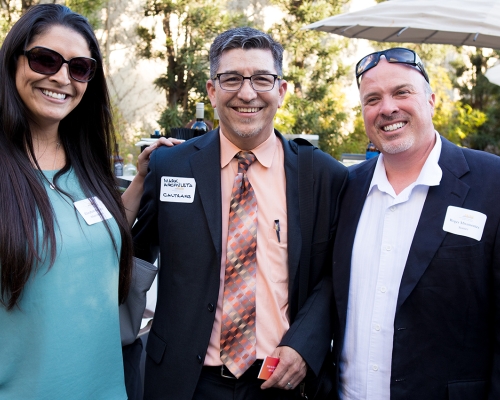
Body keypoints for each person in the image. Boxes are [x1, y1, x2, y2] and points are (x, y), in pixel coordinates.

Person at [132, 27, 348, 399]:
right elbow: (131, 257)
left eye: (262, 79)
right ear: (212, 90)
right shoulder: (171, 166)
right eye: (231, 79)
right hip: (185, 382)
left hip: (282, 381)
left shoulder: (323, 176)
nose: (247, 93)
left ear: (281, 90)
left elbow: (334, 274)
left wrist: (305, 344)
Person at [0, 4, 178, 399]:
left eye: (79, 67)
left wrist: (141, 182)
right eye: (45, 60)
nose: (62, 78)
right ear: (13, 62)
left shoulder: (84, 161)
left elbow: (90, 230)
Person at [331, 47, 500, 399]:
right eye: (372, 99)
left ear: (432, 100)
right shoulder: (346, 188)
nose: (387, 108)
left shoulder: (491, 183)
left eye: (402, 92)